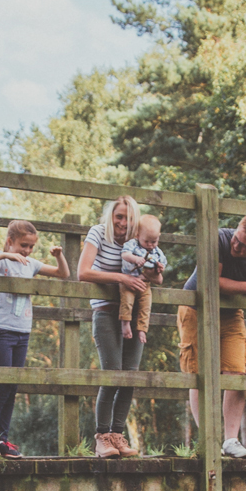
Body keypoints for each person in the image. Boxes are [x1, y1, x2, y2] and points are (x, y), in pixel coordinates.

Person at [0, 220, 70, 457]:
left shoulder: (31, 264)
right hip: (2, 330)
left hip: (23, 331)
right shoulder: (2, 260)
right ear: (11, 241)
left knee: (13, 386)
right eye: (23, 245)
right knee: (3, 384)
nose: (27, 251)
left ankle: (3, 440)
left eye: (31, 247)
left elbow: (63, 274)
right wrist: (6, 254)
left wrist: (58, 256)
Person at [177, 211, 246, 457]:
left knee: (236, 373)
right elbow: (212, 281)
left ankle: (231, 441)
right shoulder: (219, 238)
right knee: (199, 373)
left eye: (244, 245)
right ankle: (208, 440)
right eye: (237, 238)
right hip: (196, 307)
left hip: (230, 311)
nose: (236, 245)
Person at [78, 194, 149, 456]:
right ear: (111, 216)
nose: (123, 222)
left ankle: (118, 436)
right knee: (112, 374)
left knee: (129, 376)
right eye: (119, 216)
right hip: (106, 311)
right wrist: (121, 278)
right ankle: (102, 436)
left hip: (133, 313)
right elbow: (83, 272)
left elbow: (151, 271)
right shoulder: (98, 233)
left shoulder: (137, 241)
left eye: (128, 218)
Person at [117, 212, 167, 343]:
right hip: (129, 279)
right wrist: (136, 259)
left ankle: (142, 329)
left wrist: (160, 268)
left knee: (146, 305)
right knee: (127, 301)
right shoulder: (133, 244)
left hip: (145, 283)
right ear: (138, 235)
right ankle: (125, 323)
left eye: (154, 241)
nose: (150, 245)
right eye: (147, 241)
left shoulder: (157, 251)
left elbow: (163, 263)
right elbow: (125, 255)